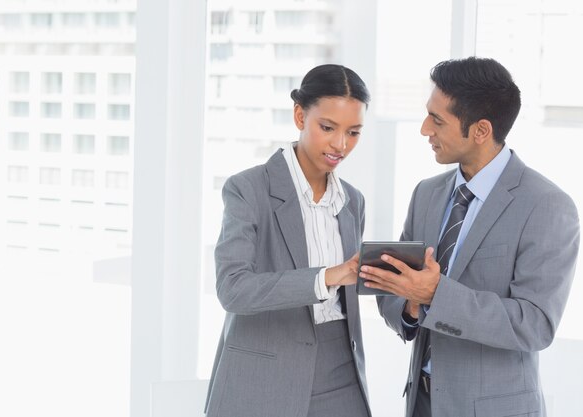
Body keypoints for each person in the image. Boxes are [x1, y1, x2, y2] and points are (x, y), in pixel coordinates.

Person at [360, 57, 580, 417]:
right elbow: (396, 294)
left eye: (437, 120)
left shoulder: (547, 206)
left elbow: (535, 325)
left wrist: (434, 293)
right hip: (422, 403)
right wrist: (412, 305)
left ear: (480, 130)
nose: (423, 130)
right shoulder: (426, 194)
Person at [203, 64, 372, 417]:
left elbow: (353, 288)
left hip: (342, 376)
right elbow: (232, 289)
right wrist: (327, 276)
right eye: (328, 127)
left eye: (353, 132)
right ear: (299, 115)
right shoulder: (248, 189)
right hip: (266, 377)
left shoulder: (352, 201)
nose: (340, 145)